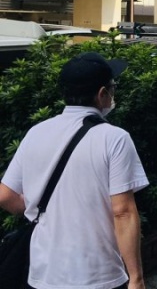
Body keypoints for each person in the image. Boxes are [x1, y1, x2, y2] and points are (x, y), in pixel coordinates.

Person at [0, 52, 149, 289]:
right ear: (102, 94)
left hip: (43, 272)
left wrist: (35, 213)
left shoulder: (36, 132)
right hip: (99, 274)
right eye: (113, 87)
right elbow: (123, 212)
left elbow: (5, 195)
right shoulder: (114, 139)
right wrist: (136, 278)